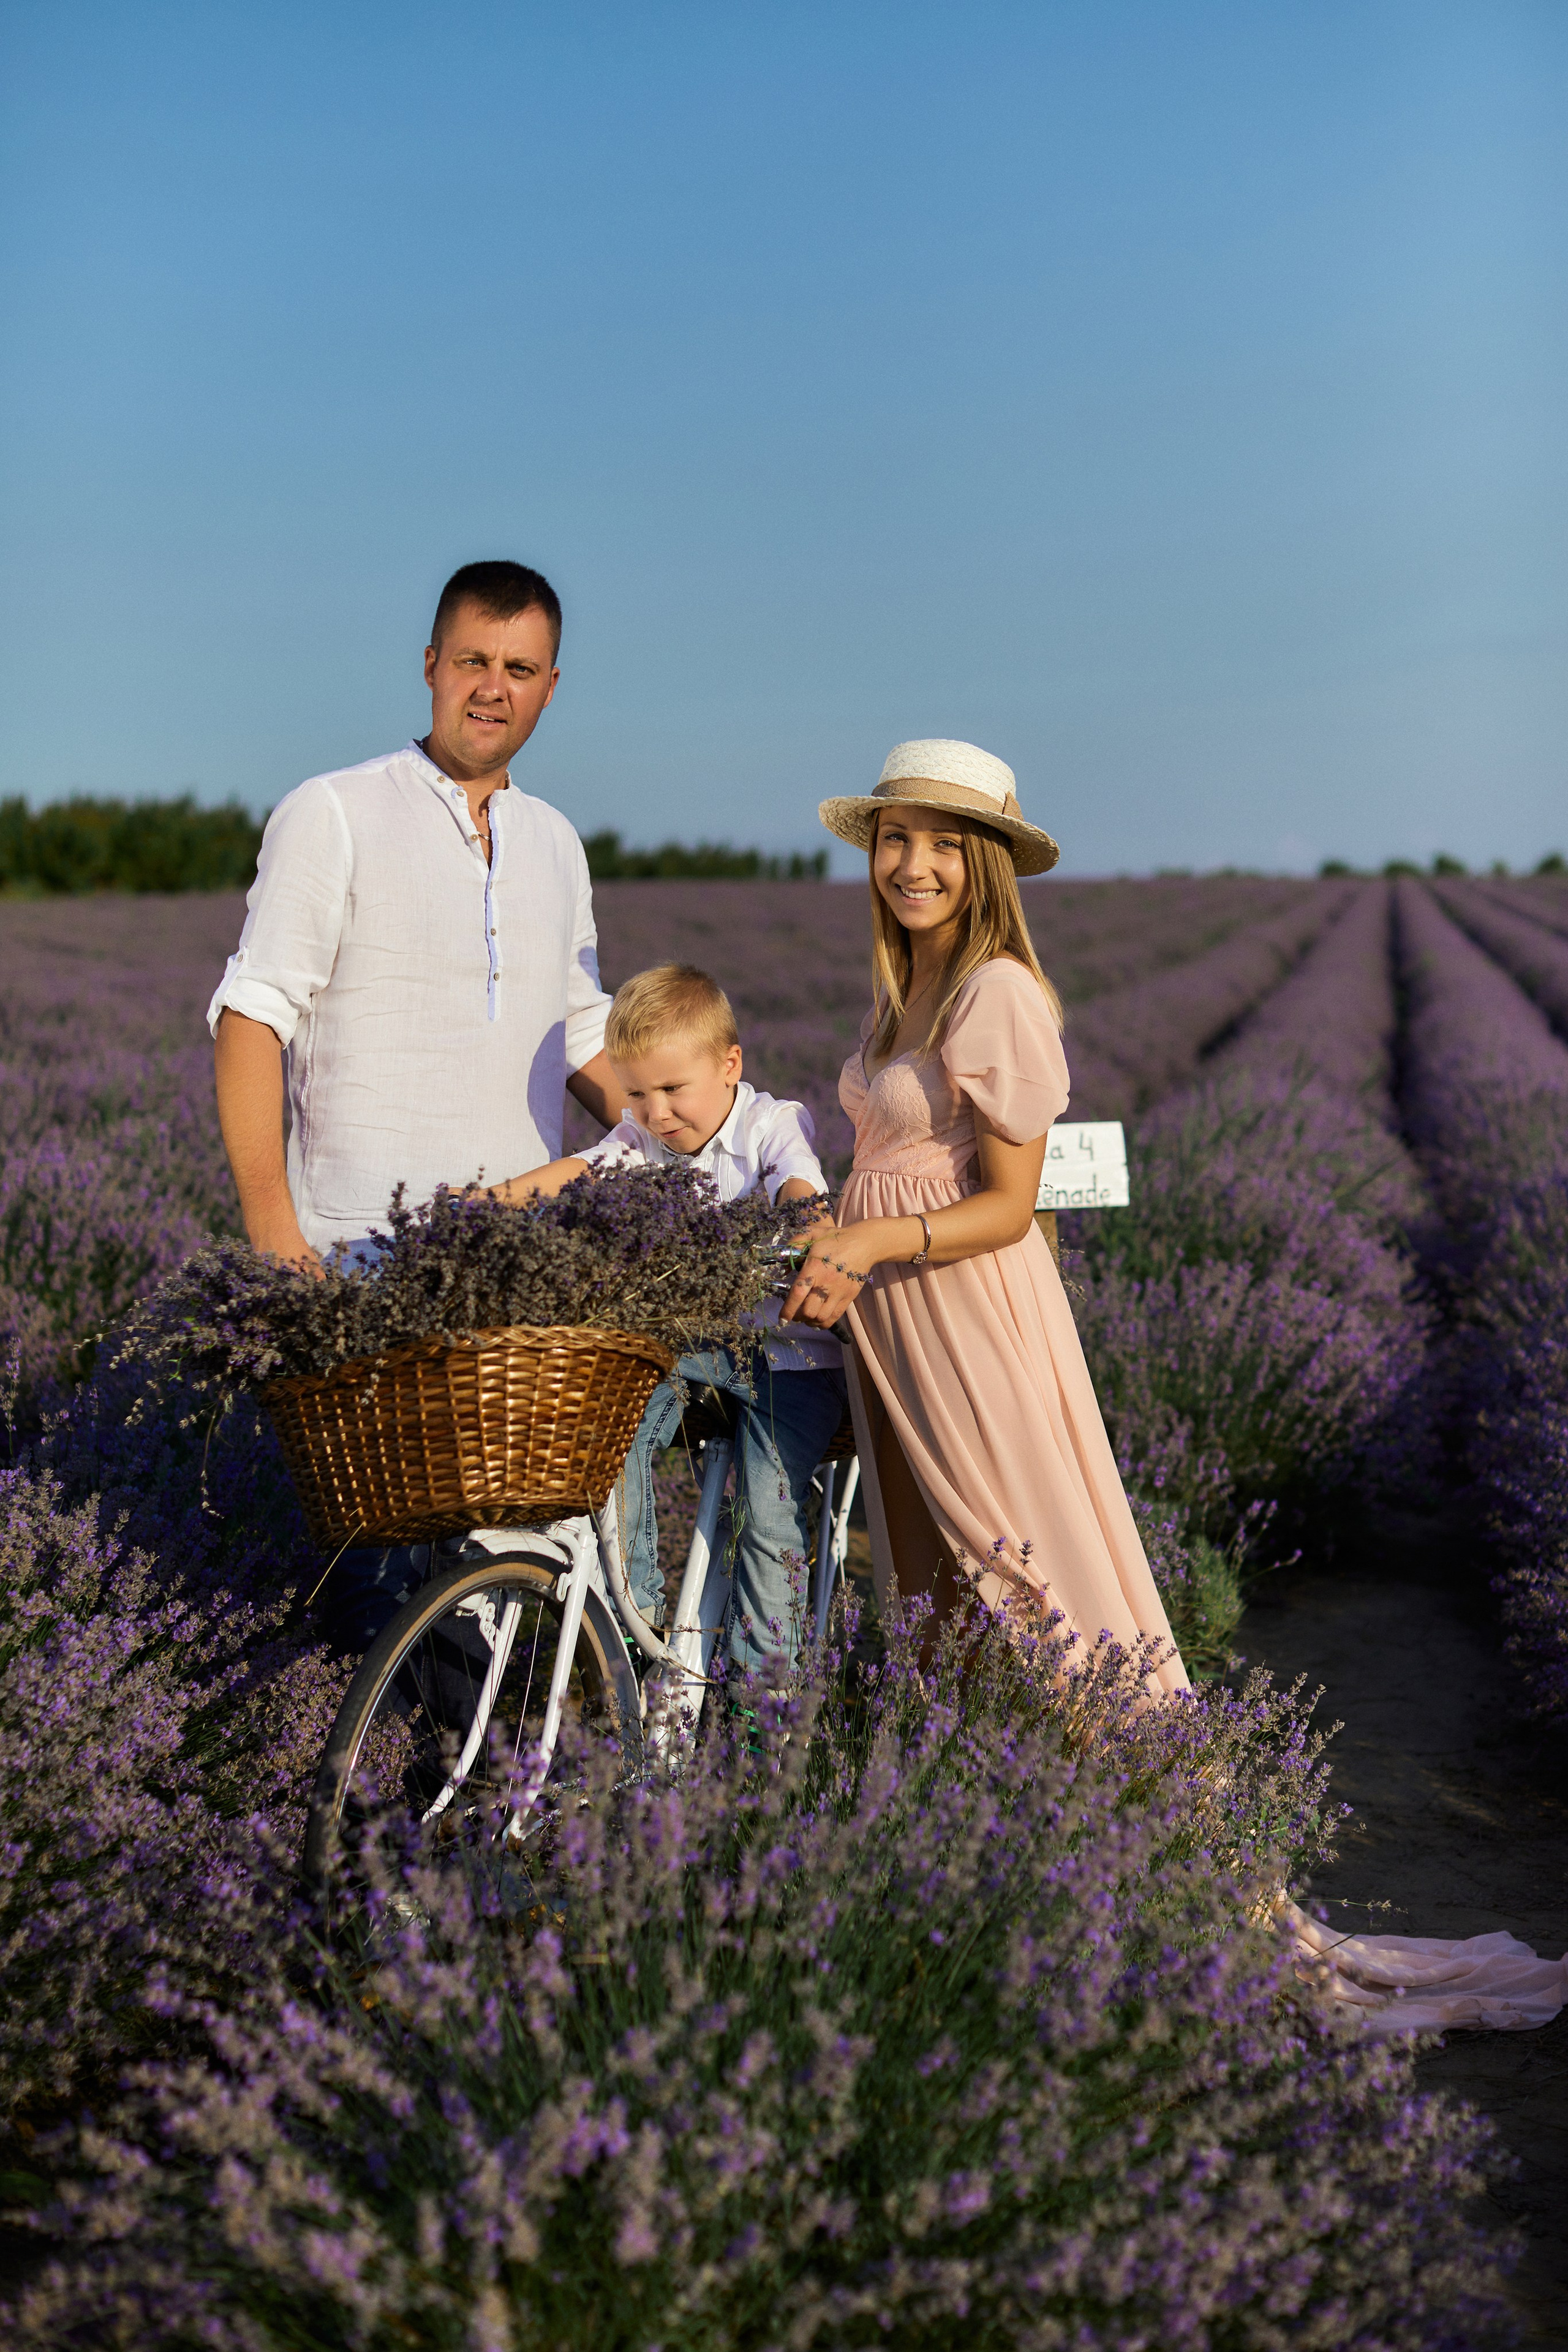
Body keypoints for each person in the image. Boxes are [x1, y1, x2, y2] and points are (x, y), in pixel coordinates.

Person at [209, 558, 619, 1648]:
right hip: (359, 1258)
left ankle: (472, 1809)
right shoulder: (333, 813)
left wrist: (693, 1139)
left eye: (519, 668)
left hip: (516, 1262)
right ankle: (347, 1809)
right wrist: (274, 1239)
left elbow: (580, 1029)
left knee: (490, 1606)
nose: (493, 687)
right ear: (431, 666)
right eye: (474, 661)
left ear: (551, 687)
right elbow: (252, 1018)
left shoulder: (558, 845)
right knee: (366, 1599)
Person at [780, 737, 1190, 1697]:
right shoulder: (904, 990)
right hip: (893, 1308)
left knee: (1019, 1557)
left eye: (944, 845)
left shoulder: (995, 988)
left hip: (963, 1307)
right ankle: (967, 1783)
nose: (912, 866)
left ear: (986, 865)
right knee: (931, 1586)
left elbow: (1010, 1208)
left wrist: (875, 1238)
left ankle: (1145, 1783)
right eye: (894, 838)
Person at [507, 962, 848, 1672]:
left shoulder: (768, 1124)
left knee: (765, 1513)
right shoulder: (641, 1145)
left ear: (729, 1066)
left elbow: (798, 1181)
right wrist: (492, 1201)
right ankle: (632, 1617)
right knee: (614, 1426)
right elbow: (583, 1170)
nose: (656, 1113)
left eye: (671, 1090)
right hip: (700, 1350)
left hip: (795, 1354)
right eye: (635, 1093)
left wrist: (802, 1221)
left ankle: (767, 1699)